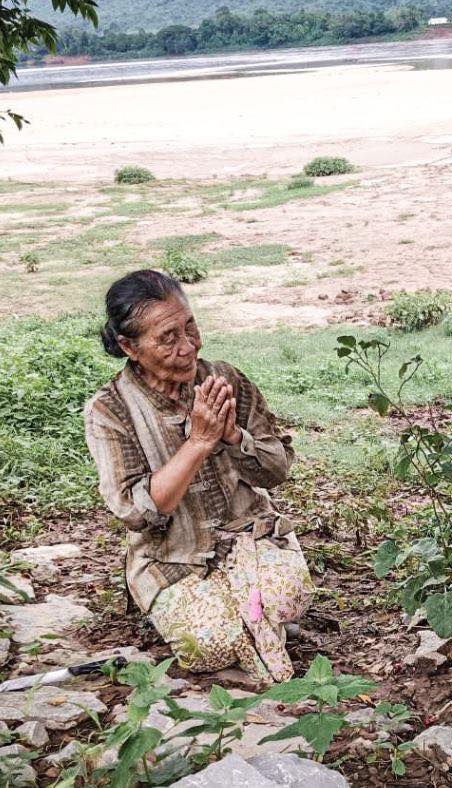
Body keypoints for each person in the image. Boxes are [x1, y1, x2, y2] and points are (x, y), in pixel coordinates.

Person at [84, 269, 313, 686]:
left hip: (250, 536)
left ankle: (254, 624)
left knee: (290, 597)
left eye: (190, 326)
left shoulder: (225, 380)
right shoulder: (111, 410)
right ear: (128, 347)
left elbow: (277, 470)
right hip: (173, 558)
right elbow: (136, 513)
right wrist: (198, 444)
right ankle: (250, 628)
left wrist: (233, 437)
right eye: (167, 338)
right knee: (207, 643)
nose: (189, 346)